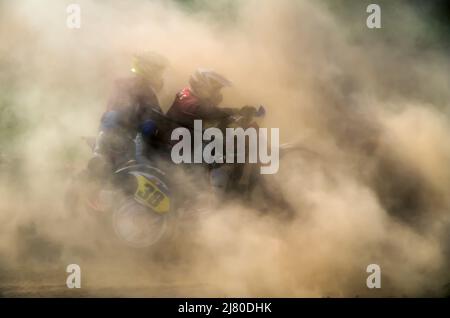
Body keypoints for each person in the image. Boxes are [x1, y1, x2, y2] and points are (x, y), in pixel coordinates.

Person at [89, 51, 169, 177]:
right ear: (148, 69)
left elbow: (156, 116)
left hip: (135, 135)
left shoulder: (144, 89)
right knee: (112, 118)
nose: (160, 75)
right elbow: (113, 113)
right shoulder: (130, 86)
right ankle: (101, 155)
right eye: (158, 70)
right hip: (128, 137)